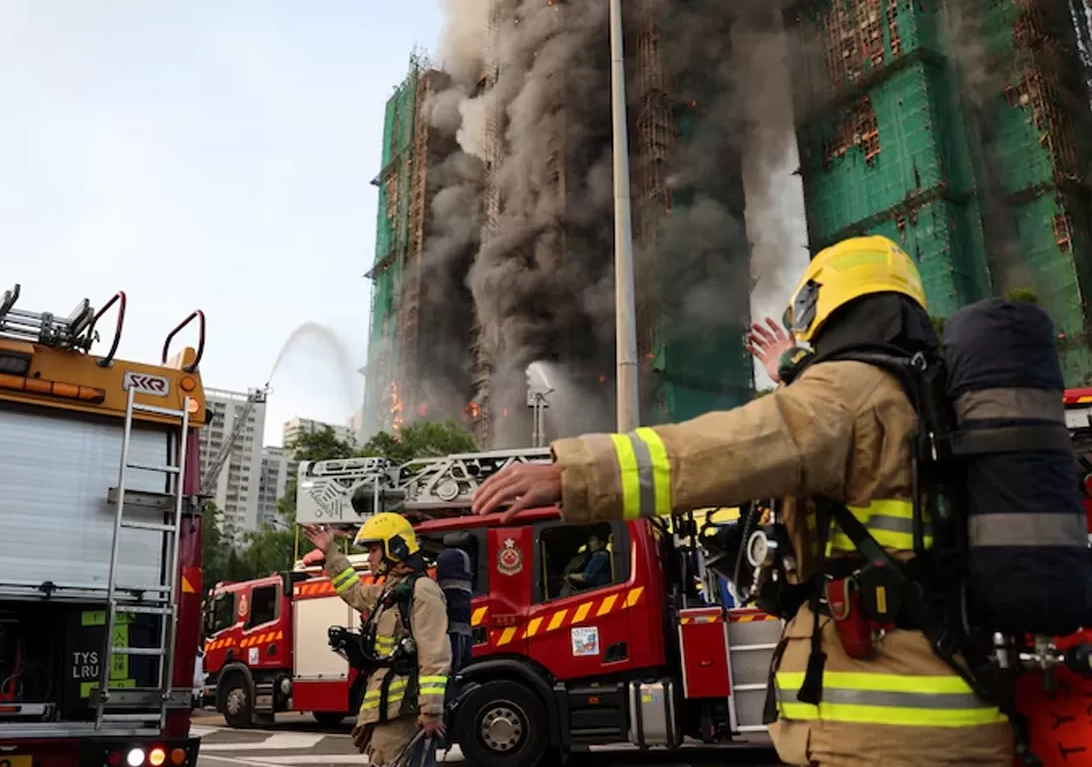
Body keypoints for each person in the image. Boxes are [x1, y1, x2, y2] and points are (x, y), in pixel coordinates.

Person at [470, 235, 1014, 767]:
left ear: (826, 306)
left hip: (880, 729)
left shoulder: (849, 391)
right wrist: (794, 374)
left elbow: (723, 452)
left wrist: (575, 474)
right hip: (955, 702)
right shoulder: (929, 398)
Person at [304, 513, 451, 767]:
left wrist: (431, 710)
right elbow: (352, 590)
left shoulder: (422, 590)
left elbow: (434, 654)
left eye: (373, 550)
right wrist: (330, 551)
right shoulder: (390, 592)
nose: (370, 557)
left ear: (395, 549)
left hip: (404, 713)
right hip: (386, 709)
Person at [559, 529, 612, 597]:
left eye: (593, 540)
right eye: (589, 540)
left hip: (599, 590)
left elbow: (587, 577)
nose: (590, 543)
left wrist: (570, 575)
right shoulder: (601, 555)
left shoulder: (599, 556)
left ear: (602, 543)